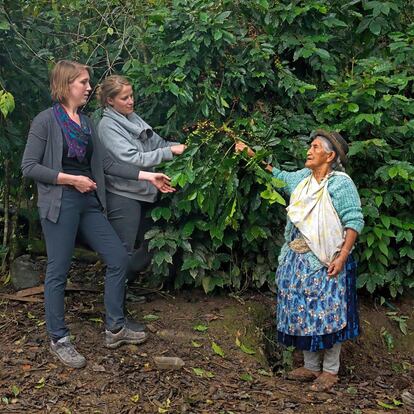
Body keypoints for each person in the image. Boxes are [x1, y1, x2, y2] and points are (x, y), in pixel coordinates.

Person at [21, 60, 174, 369]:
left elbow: (106, 165)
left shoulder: (88, 123)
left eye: (88, 82)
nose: (89, 88)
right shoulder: (45, 121)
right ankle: (59, 339)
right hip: (60, 202)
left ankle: (115, 328)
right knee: (58, 270)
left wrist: (148, 176)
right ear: (65, 86)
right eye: (83, 82)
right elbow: (29, 167)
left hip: (89, 202)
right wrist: (69, 179)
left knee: (118, 257)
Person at [236, 130, 364, 391]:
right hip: (297, 259)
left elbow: (354, 222)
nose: (309, 150)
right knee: (303, 312)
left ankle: (330, 370)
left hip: (326, 259)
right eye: (310, 146)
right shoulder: (302, 179)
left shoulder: (341, 184)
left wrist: (342, 257)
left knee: (329, 313)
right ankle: (310, 366)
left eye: (315, 147)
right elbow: (277, 176)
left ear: (329, 155)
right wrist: (250, 154)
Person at [96, 75, 185, 286]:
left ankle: (122, 287)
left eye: (132, 96)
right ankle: (115, 304)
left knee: (151, 245)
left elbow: (158, 143)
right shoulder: (107, 126)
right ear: (110, 100)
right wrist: (169, 151)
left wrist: (185, 148)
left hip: (145, 191)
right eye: (125, 98)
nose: (131, 101)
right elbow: (132, 159)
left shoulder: (132, 118)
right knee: (121, 253)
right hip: (123, 195)